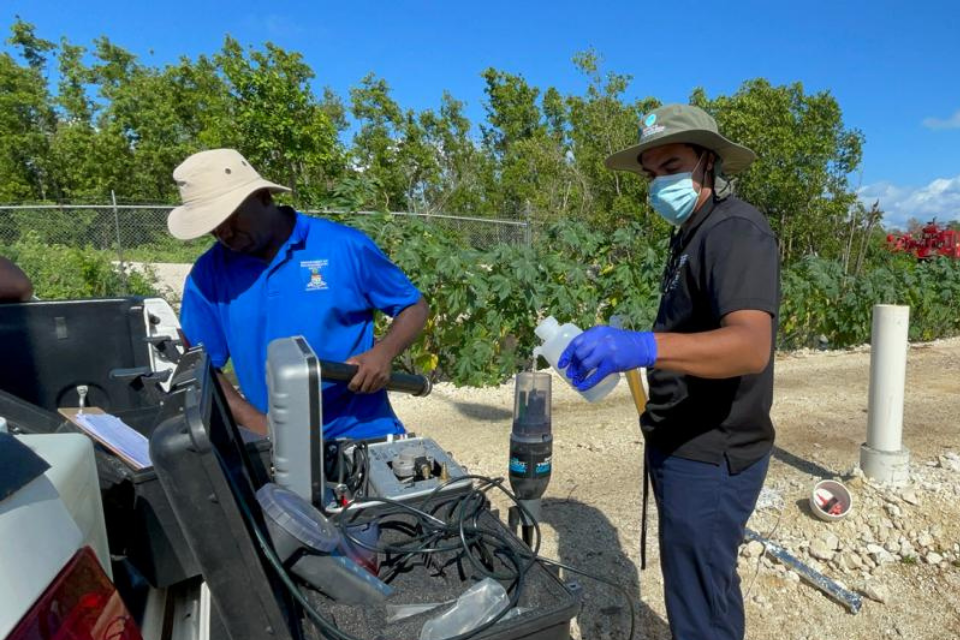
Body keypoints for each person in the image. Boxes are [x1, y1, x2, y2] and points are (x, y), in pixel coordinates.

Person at [559, 104, 780, 640]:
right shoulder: (691, 232)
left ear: (709, 162)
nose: (659, 182)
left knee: (700, 604)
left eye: (672, 166)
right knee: (700, 584)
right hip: (679, 441)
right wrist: (629, 352)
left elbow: (751, 346)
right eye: (651, 174)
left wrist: (642, 346)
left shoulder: (734, 231)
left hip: (712, 452)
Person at [168, 149, 429, 439]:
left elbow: (413, 306)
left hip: (362, 432)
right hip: (274, 440)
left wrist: (383, 353)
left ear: (263, 197)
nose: (224, 233)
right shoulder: (208, 274)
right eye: (212, 227)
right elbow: (202, 366)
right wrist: (258, 424)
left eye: (231, 219)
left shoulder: (342, 246)